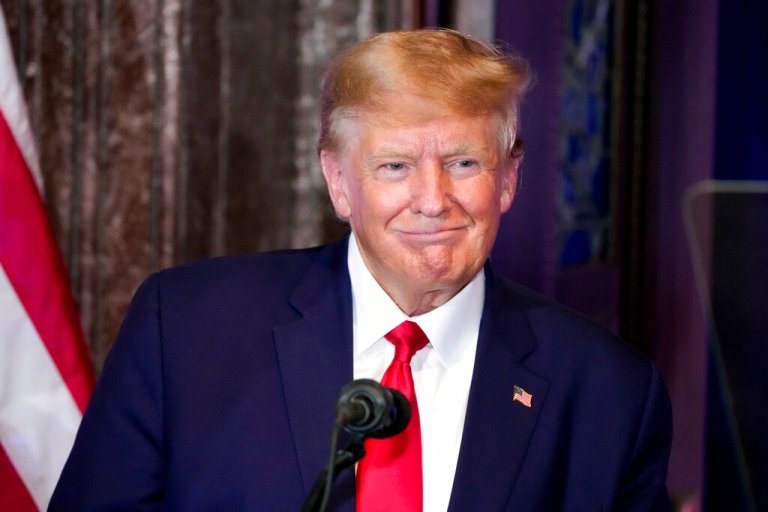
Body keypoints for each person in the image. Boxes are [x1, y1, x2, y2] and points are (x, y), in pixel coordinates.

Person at [50, 29, 672, 511]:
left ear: (508, 179)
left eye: (463, 163)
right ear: (338, 183)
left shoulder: (608, 393)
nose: (433, 199)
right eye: (395, 166)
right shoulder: (186, 331)